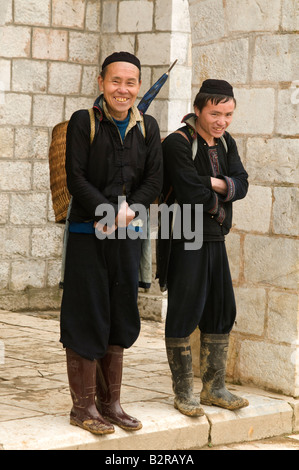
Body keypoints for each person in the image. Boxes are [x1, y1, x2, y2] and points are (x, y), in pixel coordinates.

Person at [60, 51, 163, 435]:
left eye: (130, 82)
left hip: (128, 233)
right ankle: (83, 407)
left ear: (138, 86)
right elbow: (76, 177)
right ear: (101, 82)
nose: (123, 89)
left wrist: (130, 212)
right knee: (87, 313)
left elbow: (153, 179)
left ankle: (110, 403)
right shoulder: (82, 122)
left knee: (120, 313)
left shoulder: (147, 126)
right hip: (89, 233)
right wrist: (107, 212)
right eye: (116, 81)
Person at [158, 79, 249, 417]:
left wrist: (214, 182)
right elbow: (188, 193)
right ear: (197, 110)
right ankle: (183, 392)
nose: (221, 121)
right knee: (185, 308)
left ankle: (214, 387)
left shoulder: (226, 144)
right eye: (214, 113)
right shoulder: (178, 144)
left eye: (227, 114)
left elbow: (243, 183)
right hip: (184, 233)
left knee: (221, 308)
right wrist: (224, 189)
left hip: (215, 235)